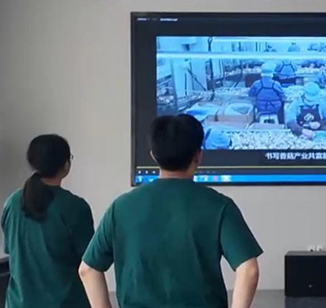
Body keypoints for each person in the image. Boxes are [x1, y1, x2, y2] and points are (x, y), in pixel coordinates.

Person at [79, 115, 262, 308]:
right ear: (198, 155)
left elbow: (88, 270)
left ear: (153, 155)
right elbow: (248, 269)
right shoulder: (219, 206)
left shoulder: (121, 207)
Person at [1, 135, 94, 308]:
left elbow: (11, 251)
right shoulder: (75, 207)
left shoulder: (12, 203)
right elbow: (89, 264)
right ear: (66, 165)